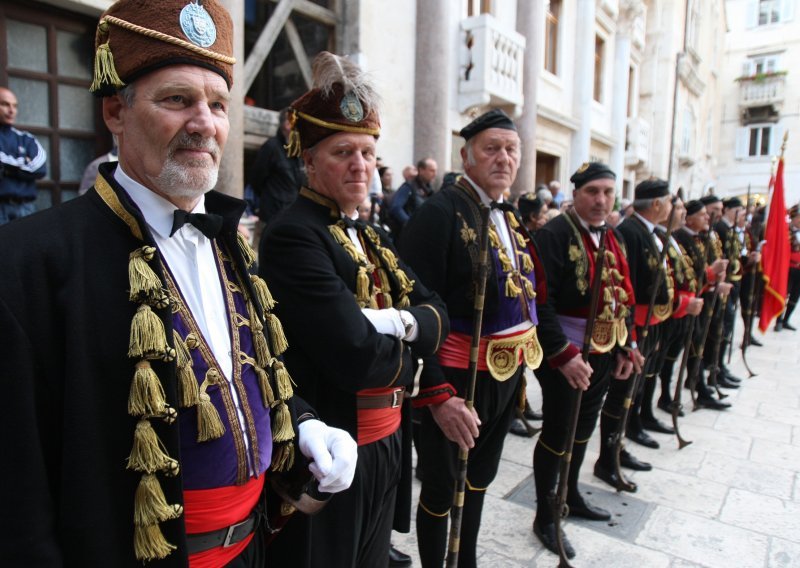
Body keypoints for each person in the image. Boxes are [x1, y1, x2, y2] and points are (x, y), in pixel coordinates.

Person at [0, 2, 359, 565]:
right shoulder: (27, 262)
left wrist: (306, 424)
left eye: (217, 104)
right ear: (116, 111)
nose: (204, 123)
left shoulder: (230, 241)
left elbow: (244, 375)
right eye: (177, 100)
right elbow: (16, 497)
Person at [258, 52, 448, 568]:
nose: (360, 165)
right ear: (309, 158)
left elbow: (438, 310)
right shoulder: (295, 234)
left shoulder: (370, 232)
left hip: (389, 442)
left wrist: (399, 322)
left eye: (367, 152)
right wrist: (414, 354)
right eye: (343, 151)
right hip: (337, 448)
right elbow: (355, 357)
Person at [399, 109, 546, 568]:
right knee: (442, 487)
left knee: (480, 477)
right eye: (491, 149)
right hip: (457, 378)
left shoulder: (511, 216)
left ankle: (466, 560)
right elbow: (413, 309)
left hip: (506, 375)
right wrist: (438, 391)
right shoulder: (439, 213)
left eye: (511, 149)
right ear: (466, 155)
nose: (503, 158)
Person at [530, 162, 637, 559]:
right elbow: (541, 301)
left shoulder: (613, 235)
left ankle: (570, 494)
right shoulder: (554, 234)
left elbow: (622, 291)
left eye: (608, 192)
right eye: (593, 191)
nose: (601, 200)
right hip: (566, 356)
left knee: (583, 429)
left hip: (604, 351)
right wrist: (563, 355)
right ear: (575, 194)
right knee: (558, 433)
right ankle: (545, 513)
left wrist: (627, 344)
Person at [673, 199, 732, 410]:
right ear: (689, 219)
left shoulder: (702, 237)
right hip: (685, 302)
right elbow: (688, 276)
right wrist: (710, 273)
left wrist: (717, 279)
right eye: (704, 214)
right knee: (680, 351)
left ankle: (701, 384)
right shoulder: (679, 238)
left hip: (699, 299)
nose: (708, 217)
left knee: (700, 341)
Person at [248, 107, 306, 225]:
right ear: (287, 124)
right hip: (272, 215)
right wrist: (272, 197)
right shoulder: (271, 147)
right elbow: (256, 179)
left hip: (294, 215)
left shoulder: (299, 149)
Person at [0, 86, 47, 224]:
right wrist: (24, 162)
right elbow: (31, 168)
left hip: (26, 208)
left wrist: (6, 169)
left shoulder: (27, 139)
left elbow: (40, 168)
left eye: (15, 106)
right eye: (5, 104)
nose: (11, 110)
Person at [389, 157, 437, 239]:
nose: (435, 174)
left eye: (435, 171)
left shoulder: (429, 189)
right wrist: (410, 224)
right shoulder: (409, 186)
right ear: (421, 170)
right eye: (431, 170)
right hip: (406, 236)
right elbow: (396, 207)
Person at [776, 205, 800, 331]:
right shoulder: (787, 231)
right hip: (789, 268)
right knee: (784, 294)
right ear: (794, 218)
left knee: (795, 295)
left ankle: (786, 320)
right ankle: (778, 321)